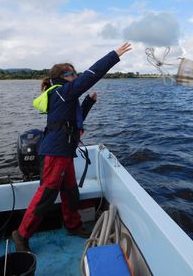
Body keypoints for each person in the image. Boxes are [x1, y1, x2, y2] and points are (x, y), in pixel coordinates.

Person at [12, 43, 132, 252]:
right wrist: (114, 55)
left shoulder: (66, 96)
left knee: (70, 191)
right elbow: (91, 76)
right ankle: (21, 233)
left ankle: (73, 226)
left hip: (65, 151)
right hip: (54, 152)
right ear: (62, 76)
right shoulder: (61, 92)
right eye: (72, 73)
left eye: (75, 73)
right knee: (47, 194)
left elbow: (72, 123)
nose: (75, 76)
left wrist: (87, 104)